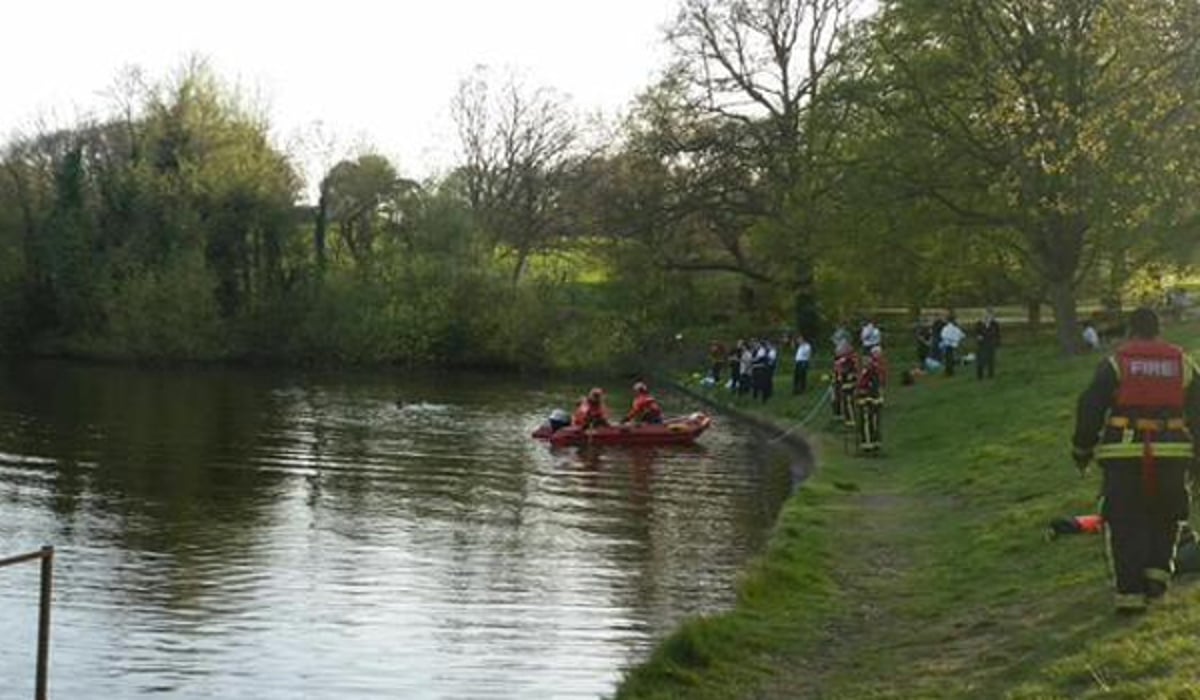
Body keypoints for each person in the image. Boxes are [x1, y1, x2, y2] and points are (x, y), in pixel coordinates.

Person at [1072, 307, 1200, 614]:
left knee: (1126, 522)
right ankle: (1157, 578)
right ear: (1159, 330)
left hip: (1124, 455)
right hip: (1173, 455)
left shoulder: (1117, 364)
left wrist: (1082, 449)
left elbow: (1090, 405)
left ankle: (1129, 595)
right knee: (1167, 516)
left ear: (1131, 331)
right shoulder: (1183, 364)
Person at [855, 346, 887, 454]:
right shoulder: (866, 370)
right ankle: (872, 443)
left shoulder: (872, 371)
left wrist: (864, 394)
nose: (864, 361)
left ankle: (869, 444)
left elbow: (871, 386)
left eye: (865, 359)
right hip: (867, 399)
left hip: (869, 400)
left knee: (869, 423)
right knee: (870, 422)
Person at [974, 308, 1001, 380]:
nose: (988, 316)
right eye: (986, 315)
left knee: (990, 360)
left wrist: (997, 343)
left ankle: (990, 375)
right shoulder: (979, 323)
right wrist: (978, 337)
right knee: (980, 360)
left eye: (990, 315)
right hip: (982, 344)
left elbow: (997, 334)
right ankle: (980, 376)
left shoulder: (995, 324)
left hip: (991, 343)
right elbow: (976, 333)